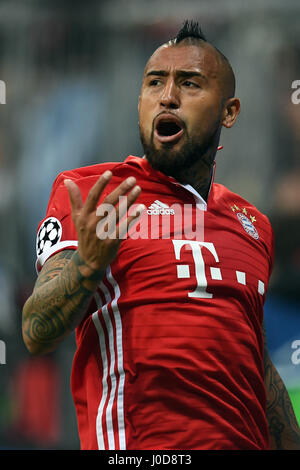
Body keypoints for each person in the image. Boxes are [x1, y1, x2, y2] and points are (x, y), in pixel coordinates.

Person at [22, 20, 300, 450]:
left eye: (189, 84)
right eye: (155, 83)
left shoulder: (253, 224)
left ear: (230, 111)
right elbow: (36, 331)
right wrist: (89, 262)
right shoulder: (94, 193)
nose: (167, 96)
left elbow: (257, 365)